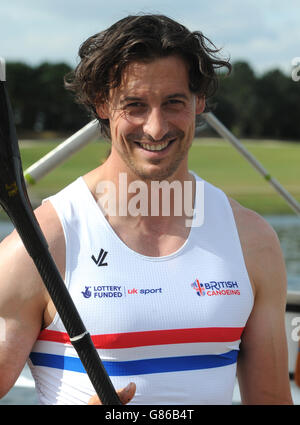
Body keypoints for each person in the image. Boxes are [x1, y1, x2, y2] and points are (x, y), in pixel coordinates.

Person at [0, 14, 293, 405]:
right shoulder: (42, 244)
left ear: (199, 101)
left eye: (173, 103)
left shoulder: (252, 240)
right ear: (103, 105)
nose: (155, 128)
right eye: (134, 105)